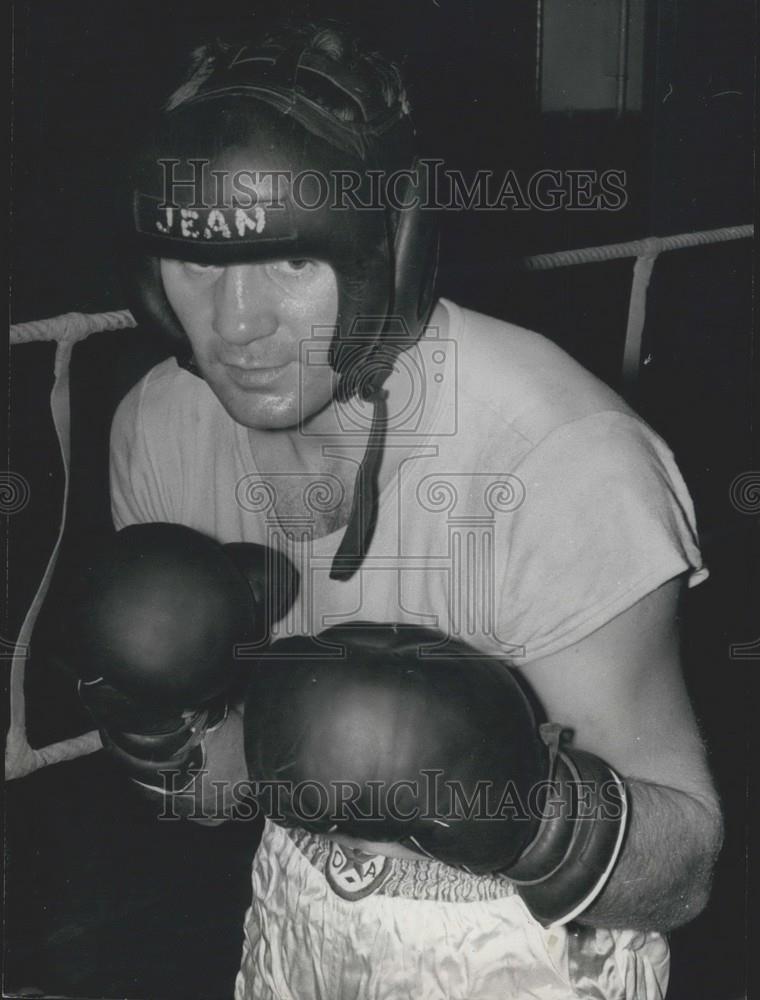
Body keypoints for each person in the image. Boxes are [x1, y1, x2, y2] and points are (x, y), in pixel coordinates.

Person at [107, 17, 723, 999]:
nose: (238, 325)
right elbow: (230, 786)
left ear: (385, 253)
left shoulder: (564, 463)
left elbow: (681, 874)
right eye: (199, 264)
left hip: (540, 938)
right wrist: (165, 740)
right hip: (297, 905)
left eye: (292, 263)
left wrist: (520, 809)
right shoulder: (160, 429)